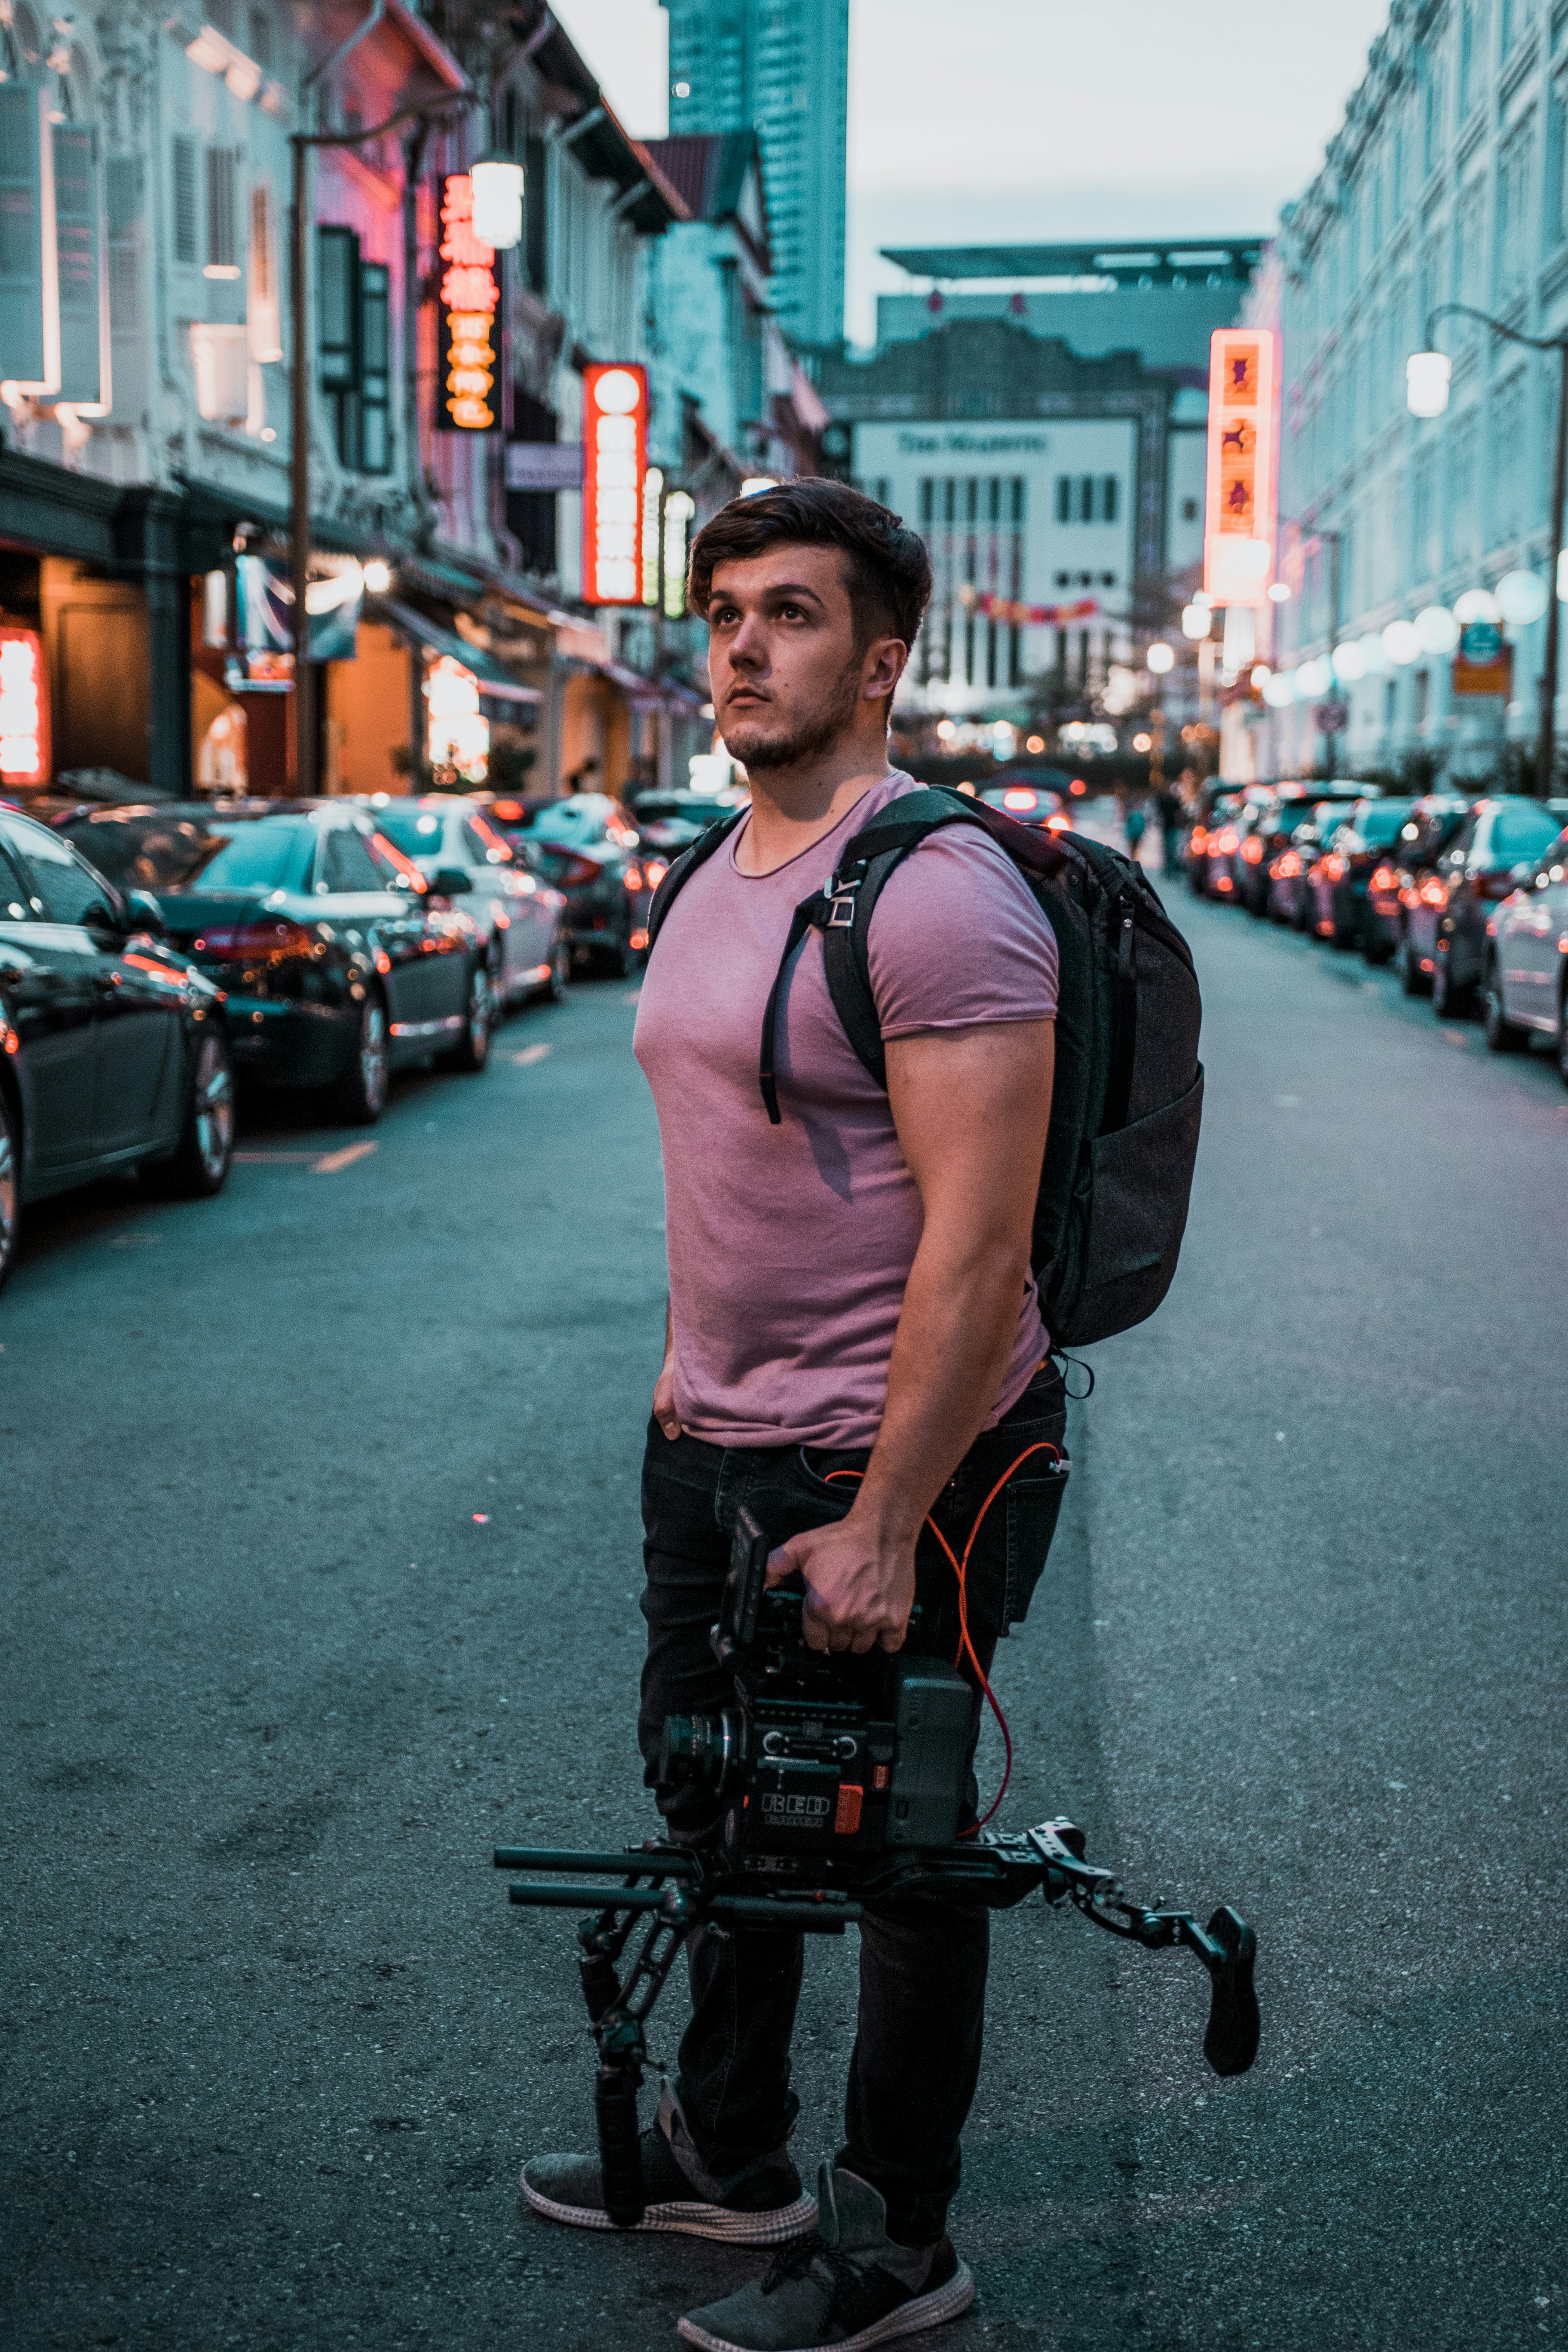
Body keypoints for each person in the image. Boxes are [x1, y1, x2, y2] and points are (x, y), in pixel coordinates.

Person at [521, 479, 1066, 2352]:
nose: (743, 645)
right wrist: (686, 1373)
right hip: (716, 1437)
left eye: (794, 614)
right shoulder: (711, 863)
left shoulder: (941, 897)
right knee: (720, 1799)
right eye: (727, 612)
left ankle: (899, 2239)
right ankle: (723, 2149)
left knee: (898, 1855)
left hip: (904, 1456)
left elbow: (979, 1248)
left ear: (884, 659)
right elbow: (730, 1159)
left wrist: (895, 1515)